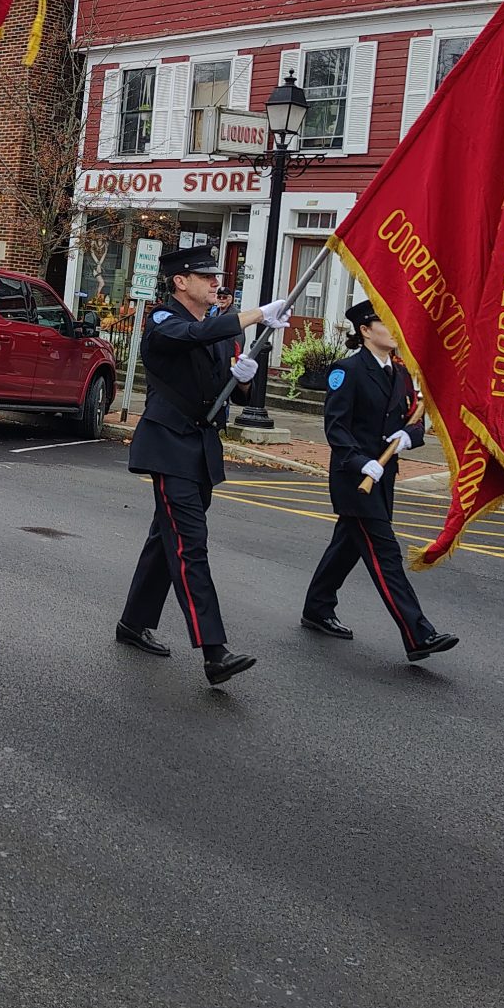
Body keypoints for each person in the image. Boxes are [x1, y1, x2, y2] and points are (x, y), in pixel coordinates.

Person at [114, 247, 291, 685]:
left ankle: (133, 623)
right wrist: (253, 315)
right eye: (206, 276)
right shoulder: (163, 321)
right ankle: (214, 651)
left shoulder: (213, 331)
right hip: (168, 450)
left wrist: (244, 380)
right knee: (190, 546)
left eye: (217, 277)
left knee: (166, 539)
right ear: (180, 282)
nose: (216, 283)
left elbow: (228, 392)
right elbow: (187, 340)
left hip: (200, 451)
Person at [300, 299, 458, 662]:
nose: (395, 328)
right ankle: (419, 634)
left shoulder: (399, 373)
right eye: (385, 322)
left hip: (383, 478)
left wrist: (410, 437)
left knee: (347, 545)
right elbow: (336, 429)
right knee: (385, 552)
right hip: (356, 480)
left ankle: (317, 607)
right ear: (366, 331)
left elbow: (413, 420)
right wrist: (361, 462)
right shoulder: (347, 370)